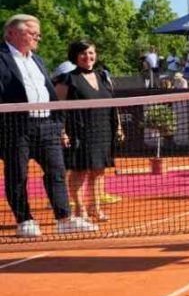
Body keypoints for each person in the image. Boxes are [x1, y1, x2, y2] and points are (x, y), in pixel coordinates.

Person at [0, 14, 98, 237]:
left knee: (56, 171)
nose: (38, 37)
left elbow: (49, 92)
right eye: (32, 33)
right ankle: (24, 220)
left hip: (47, 125)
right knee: (17, 174)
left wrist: (57, 123)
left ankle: (64, 218)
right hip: (16, 128)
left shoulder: (38, 60)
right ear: (12, 33)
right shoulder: (1, 58)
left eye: (38, 33)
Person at [54, 40, 123, 223]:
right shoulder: (67, 79)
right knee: (79, 171)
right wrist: (62, 132)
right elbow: (57, 109)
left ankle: (95, 207)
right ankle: (79, 209)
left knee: (99, 171)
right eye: (83, 53)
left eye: (91, 53)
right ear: (75, 56)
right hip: (79, 132)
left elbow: (112, 104)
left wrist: (118, 126)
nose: (88, 57)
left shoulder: (103, 77)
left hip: (103, 130)